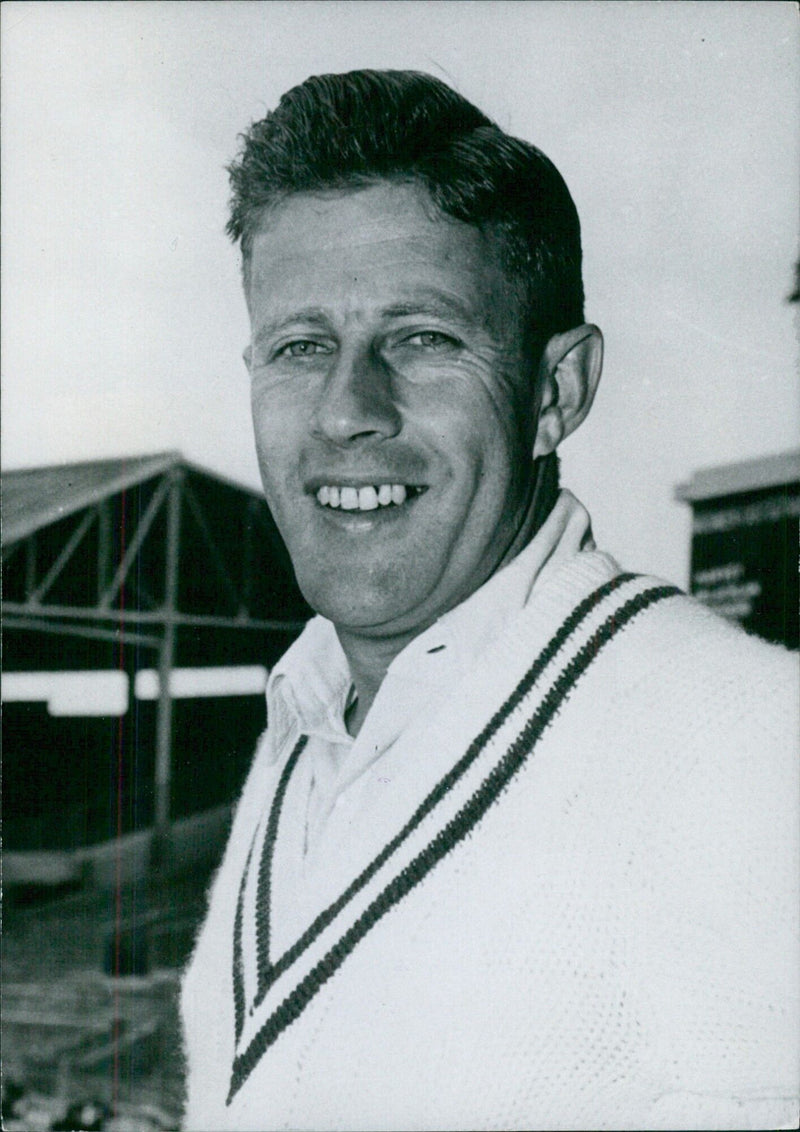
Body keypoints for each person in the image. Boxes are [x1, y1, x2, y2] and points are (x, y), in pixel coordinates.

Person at [181, 70, 798, 1131]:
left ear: (553, 392)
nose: (346, 412)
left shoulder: (749, 750)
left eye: (420, 340)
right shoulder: (310, 718)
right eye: (299, 347)